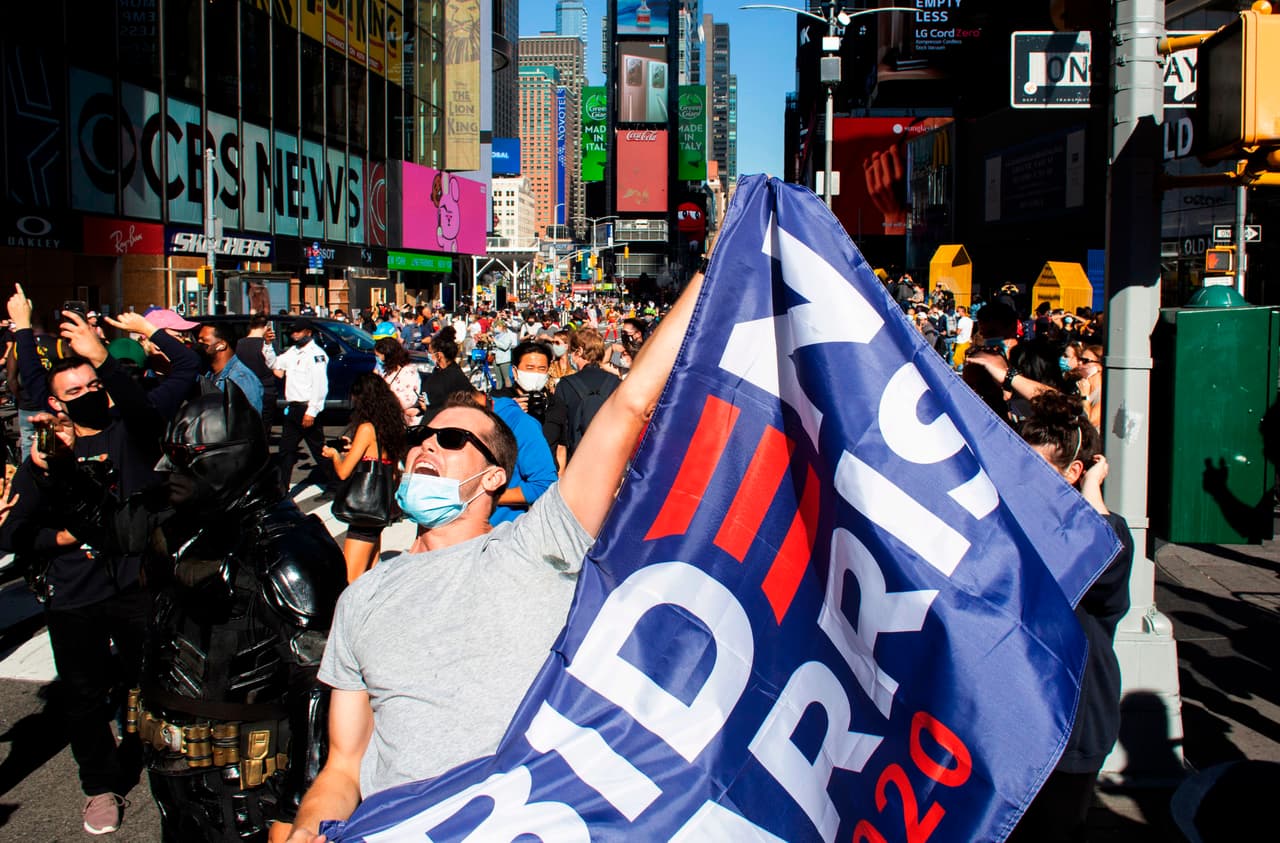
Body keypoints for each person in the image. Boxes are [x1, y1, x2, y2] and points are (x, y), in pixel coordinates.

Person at [279, 268, 707, 842]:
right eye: (422, 437)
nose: (428, 443)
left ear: (492, 478)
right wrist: (312, 824)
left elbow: (630, 405)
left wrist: (713, 265)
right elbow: (342, 768)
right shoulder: (360, 599)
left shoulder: (536, 546)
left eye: (453, 440)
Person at [0, 298, 199, 836]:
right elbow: (14, 534)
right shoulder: (44, 455)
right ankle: (100, 786)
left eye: (94, 386)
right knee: (84, 697)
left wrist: (116, 348)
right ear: (54, 404)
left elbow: (164, 390)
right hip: (75, 593)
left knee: (153, 683)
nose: (88, 396)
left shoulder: (126, 430)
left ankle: (166, 767)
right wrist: (62, 524)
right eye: (75, 392)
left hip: (136, 585)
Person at [135, 383, 347, 842]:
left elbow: (321, 685)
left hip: (248, 789)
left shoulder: (288, 550)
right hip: (177, 775)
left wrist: (298, 809)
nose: (166, 469)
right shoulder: (187, 526)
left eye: (184, 455)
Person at [1009, 391, 1133, 843]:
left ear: (1073, 471)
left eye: (1035, 466)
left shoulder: (1106, 533)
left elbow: (1104, 557)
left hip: (1074, 722)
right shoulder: (1015, 523)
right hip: (1023, 719)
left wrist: (1092, 492)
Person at [322, 374, 407, 581]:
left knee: (351, 578)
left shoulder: (366, 428)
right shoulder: (390, 428)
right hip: (379, 509)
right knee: (369, 573)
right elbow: (387, 465)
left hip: (363, 510)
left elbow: (344, 471)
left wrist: (334, 455)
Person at [492, 340, 569, 471]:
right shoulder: (499, 400)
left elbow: (561, 448)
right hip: (511, 482)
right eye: (530, 368)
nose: (536, 374)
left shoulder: (556, 404)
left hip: (548, 482)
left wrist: (560, 481)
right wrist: (510, 414)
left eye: (541, 369)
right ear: (515, 372)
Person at [274, 320, 330, 493]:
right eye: (292, 332)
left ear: (308, 332)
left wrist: (311, 412)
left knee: (318, 450)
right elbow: (276, 365)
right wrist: (268, 346)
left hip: (306, 408)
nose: (294, 335)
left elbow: (320, 386)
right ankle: (282, 490)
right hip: (293, 408)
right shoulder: (293, 352)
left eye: (298, 332)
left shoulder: (316, 355)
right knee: (285, 451)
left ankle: (337, 484)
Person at [198, 322, 264, 414]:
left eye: (203, 340)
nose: (199, 344)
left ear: (221, 345)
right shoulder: (209, 375)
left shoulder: (241, 379)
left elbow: (249, 421)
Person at [237, 315, 280, 431]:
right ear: (266, 327)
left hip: (244, 389)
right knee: (264, 427)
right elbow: (278, 371)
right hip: (266, 390)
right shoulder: (268, 345)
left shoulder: (238, 344)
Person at [373, 337, 422, 427]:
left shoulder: (408, 372)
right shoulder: (387, 370)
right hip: (389, 420)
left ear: (387, 355)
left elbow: (407, 401)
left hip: (402, 422)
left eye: (378, 356)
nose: (377, 359)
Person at [421, 327, 470, 415]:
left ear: (439, 355)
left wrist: (427, 408)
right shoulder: (448, 372)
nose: (429, 355)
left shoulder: (448, 377)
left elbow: (445, 407)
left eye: (430, 353)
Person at [489, 318, 517, 390]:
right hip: (496, 359)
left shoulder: (507, 335)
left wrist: (494, 341)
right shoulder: (496, 336)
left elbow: (505, 346)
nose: (495, 328)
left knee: (506, 378)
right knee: (498, 378)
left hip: (504, 359)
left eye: (496, 326)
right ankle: (499, 391)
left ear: (501, 327)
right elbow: (494, 347)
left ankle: (508, 392)